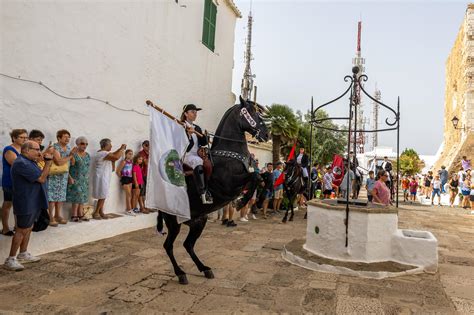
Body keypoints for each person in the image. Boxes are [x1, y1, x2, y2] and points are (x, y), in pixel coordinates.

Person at [4, 141, 53, 271]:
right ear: (26, 150)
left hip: (34, 200)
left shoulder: (30, 162)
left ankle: (23, 253)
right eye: (36, 149)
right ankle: (10, 259)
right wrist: (48, 162)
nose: (39, 152)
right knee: (21, 229)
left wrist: (42, 160)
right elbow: (42, 178)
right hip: (26, 201)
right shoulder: (21, 163)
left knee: (29, 227)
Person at [181, 104, 212, 204]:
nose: (195, 114)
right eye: (192, 112)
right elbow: (180, 145)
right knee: (198, 161)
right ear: (186, 113)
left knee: (210, 163)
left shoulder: (197, 128)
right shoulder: (180, 125)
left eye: (196, 112)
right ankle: (202, 193)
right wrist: (189, 136)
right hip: (185, 154)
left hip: (196, 154)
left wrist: (205, 137)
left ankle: (208, 188)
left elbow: (204, 143)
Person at [2, 129, 28, 236]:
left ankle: (18, 227)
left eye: (26, 137)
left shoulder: (25, 149)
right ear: (14, 138)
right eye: (22, 137)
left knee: (19, 205)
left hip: (21, 182)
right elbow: (17, 165)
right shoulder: (9, 149)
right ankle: (5, 228)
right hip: (10, 181)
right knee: (8, 204)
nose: (24, 139)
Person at [48, 129, 77, 227]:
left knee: (60, 197)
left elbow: (71, 163)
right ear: (59, 138)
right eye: (65, 137)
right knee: (52, 197)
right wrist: (71, 155)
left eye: (68, 137)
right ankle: (50, 217)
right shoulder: (55, 147)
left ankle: (57, 215)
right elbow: (59, 162)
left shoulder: (68, 148)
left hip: (64, 175)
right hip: (54, 175)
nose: (67, 139)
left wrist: (72, 156)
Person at [92, 139, 126, 219]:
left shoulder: (103, 153)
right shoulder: (102, 153)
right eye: (110, 145)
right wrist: (122, 149)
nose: (111, 146)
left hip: (103, 176)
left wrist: (119, 148)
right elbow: (116, 157)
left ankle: (101, 211)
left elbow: (113, 154)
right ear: (106, 145)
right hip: (101, 177)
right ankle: (96, 212)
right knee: (103, 194)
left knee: (103, 194)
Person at [66, 137, 91, 222]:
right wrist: (70, 177)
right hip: (75, 178)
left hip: (84, 179)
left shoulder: (87, 155)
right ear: (77, 144)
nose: (85, 145)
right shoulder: (73, 154)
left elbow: (87, 167)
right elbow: (68, 167)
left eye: (86, 144)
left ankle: (80, 214)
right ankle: (74, 215)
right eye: (82, 143)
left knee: (82, 197)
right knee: (76, 197)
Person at [116, 149, 134, 216]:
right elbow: (118, 171)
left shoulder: (131, 162)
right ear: (126, 154)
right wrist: (122, 177)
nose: (131, 155)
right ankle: (129, 210)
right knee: (128, 194)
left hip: (130, 178)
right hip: (125, 179)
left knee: (129, 195)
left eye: (132, 154)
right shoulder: (124, 162)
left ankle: (128, 209)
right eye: (129, 153)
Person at [138, 140, 150, 211]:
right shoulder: (141, 153)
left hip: (148, 174)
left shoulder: (149, 153)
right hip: (142, 174)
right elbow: (146, 163)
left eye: (148, 145)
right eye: (146, 145)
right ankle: (142, 207)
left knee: (147, 192)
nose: (148, 147)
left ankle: (146, 206)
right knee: (142, 192)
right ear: (143, 146)